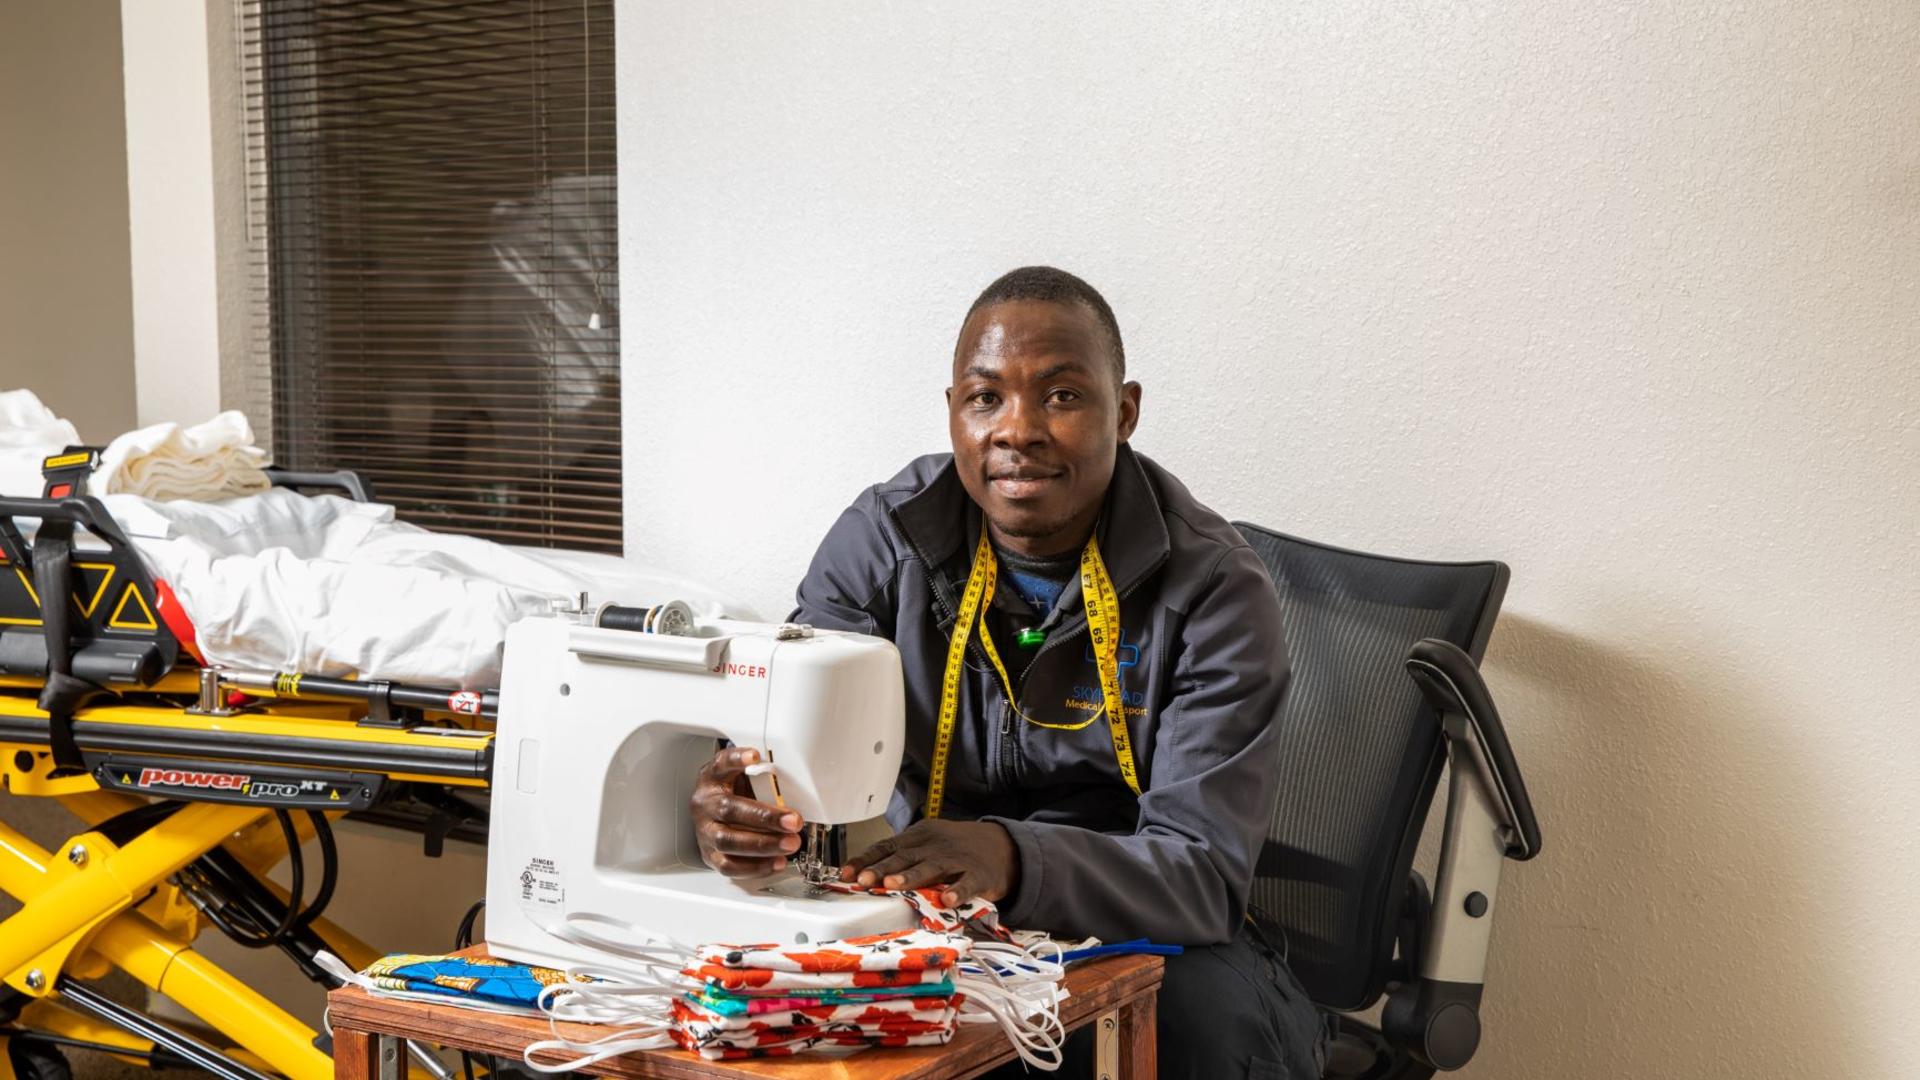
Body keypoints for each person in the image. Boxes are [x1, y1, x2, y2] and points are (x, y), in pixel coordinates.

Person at [688, 266, 1325, 1077]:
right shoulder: (885, 542)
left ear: (1124, 411)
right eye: (985, 398)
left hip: (1151, 926)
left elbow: (1200, 876)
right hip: (944, 908)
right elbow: (782, 746)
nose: (1016, 429)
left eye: (1060, 396)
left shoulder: (1212, 589)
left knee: (1193, 1034)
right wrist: (745, 814)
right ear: (953, 411)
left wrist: (1014, 859)